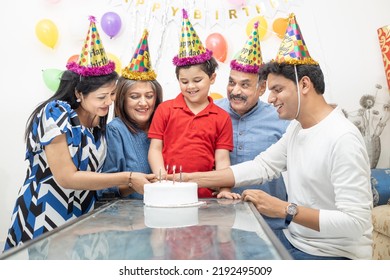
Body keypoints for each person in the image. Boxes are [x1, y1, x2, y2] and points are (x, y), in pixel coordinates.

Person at [171, 14, 373, 260]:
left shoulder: (343, 138)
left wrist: (284, 209)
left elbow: (356, 222)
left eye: (277, 90)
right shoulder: (297, 128)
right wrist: (188, 179)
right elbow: (262, 166)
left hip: (333, 255)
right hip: (295, 242)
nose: (271, 98)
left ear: (305, 85)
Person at [3, 16, 156, 251]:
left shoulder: (99, 125)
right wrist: (128, 177)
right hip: (45, 215)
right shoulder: (55, 114)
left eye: (112, 94)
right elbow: (67, 177)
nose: (109, 102)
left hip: (83, 220)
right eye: (101, 97)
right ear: (79, 93)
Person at [148, 9, 239, 199]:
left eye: (197, 80)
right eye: (184, 81)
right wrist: (161, 177)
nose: (190, 86)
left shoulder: (221, 118)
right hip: (169, 192)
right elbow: (155, 148)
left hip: (206, 199)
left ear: (212, 78)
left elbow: (222, 159)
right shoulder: (165, 110)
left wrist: (224, 189)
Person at [214, 21, 290, 210]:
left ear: (262, 88)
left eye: (245, 85)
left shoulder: (281, 117)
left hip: (269, 219)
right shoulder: (212, 112)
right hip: (220, 216)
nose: (235, 91)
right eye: (232, 83)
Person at [98, 30, 163, 200]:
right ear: (122, 100)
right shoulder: (116, 131)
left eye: (149, 96)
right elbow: (104, 190)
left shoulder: (164, 127)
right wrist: (134, 184)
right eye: (135, 97)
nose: (144, 103)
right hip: (131, 219)